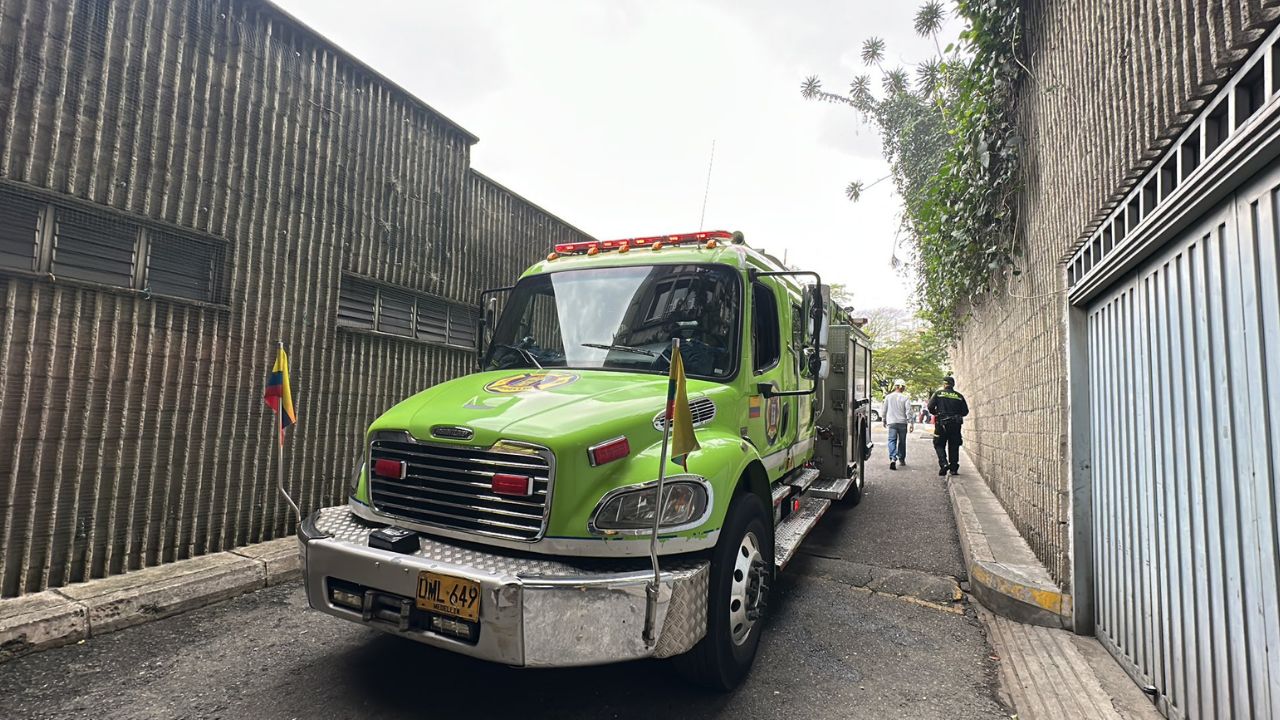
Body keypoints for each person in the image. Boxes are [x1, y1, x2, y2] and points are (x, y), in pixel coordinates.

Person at [927, 376, 969, 477]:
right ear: (953, 384)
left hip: (941, 424)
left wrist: (937, 413)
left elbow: (930, 407)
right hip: (955, 424)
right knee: (954, 445)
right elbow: (965, 411)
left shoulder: (938, 394)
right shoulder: (959, 396)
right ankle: (953, 469)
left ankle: (944, 464)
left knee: (939, 444)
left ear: (944, 384)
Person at [882, 379, 913, 470]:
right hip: (902, 423)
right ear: (903, 388)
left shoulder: (888, 397)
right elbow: (908, 411)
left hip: (892, 422)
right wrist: (911, 422)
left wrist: (884, 420)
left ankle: (892, 458)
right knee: (902, 442)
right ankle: (902, 459)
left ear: (895, 386)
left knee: (892, 440)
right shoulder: (905, 398)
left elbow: (884, 409)